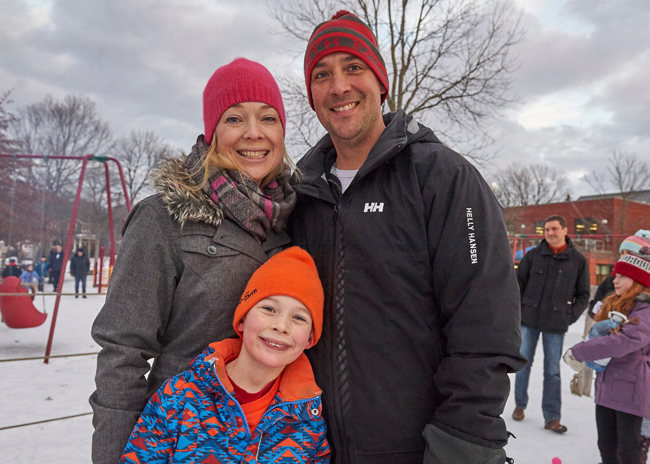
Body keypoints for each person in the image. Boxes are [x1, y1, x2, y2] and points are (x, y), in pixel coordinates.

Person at [288, 10, 526, 464]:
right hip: (310, 448)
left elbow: (486, 326)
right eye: (322, 74)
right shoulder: (300, 193)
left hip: (421, 448)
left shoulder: (443, 178)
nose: (339, 86)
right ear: (312, 95)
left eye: (353, 68)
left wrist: (461, 447)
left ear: (381, 82)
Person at [90, 58, 296, 464]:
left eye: (268, 118)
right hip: (179, 439)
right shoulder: (164, 218)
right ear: (212, 132)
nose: (253, 133)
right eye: (235, 118)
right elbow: (122, 352)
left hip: (271, 442)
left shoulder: (293, 220)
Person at [120, 247, 330, 463]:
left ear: (310, 339)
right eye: (269, 309)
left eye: (299, 318)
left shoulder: (309, 422)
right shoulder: (179, 397)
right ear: (242, 319)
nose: (281, 326)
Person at [564, 248, 650, 464]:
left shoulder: (645, 312)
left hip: (631, 392)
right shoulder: (619, 304)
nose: (615, 280)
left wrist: (580, 351)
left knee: (628, 452)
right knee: (606, 447)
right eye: (615, 275)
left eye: (622, 276)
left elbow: (621, 343)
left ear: (638, 279)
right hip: (607, 387)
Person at [512, 215, 590, 433]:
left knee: (553, 370)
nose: (550, 233)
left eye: (554, 229)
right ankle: (519, 405)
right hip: (529, 320)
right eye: (546, 229)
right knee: (523, 364)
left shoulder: (578, 261)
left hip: (556, 323)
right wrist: (520, 309)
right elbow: (517, 283)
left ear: (565, 231)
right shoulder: (534, 256)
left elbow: (583, 295)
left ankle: (552, 417)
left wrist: (569, 316)